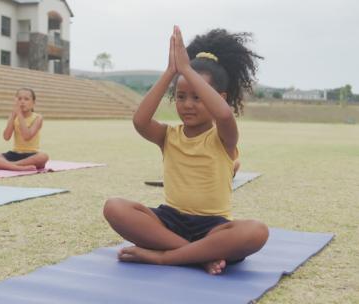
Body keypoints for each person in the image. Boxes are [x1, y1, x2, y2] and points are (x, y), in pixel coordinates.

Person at [103, 26, 268, 275]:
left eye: (197, 97)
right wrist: (171, 72)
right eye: (181, 97)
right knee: (114, 207)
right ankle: (198, 256)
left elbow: (224, 114)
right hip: (169, 223)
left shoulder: (223, 138)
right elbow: (140, 121)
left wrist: (187, 70)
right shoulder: (168, 136)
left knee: (257, 231)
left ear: (218, 97)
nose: (187, 105)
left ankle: (164, 258)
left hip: (213, 229)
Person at [0, 88, 49, 171]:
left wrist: (19, 114)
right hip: (15, 153)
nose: (22, 102)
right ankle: (16, 167)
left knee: (43, 157)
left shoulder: (38, 118)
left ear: (33, 103)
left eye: (26, 99)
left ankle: (9, 165)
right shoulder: (13, 116)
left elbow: (27, 136)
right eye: (19, 99)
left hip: (31, 155)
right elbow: (6, 137)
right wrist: (13, 116)